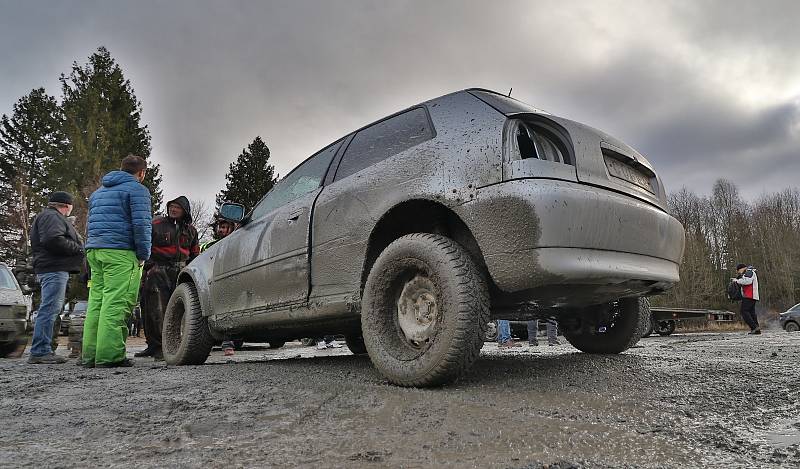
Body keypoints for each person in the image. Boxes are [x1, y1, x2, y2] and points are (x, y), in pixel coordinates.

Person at [83, 155, 152, 368]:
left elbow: (89, 225)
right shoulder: (138, 190)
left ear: (121, 169)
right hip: (121, 252)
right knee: (117, 302)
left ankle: (90, 355)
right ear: (141, 173)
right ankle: (109, 356)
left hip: (95, 251)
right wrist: (143, 254)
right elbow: (141, 225)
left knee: (97, 302)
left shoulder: (98, 193)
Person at [137, 196, 199, 360]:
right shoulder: (156, 224)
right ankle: (155, 346)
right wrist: (150, 267)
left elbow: (195, 254)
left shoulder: (191, 230)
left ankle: (170, 345)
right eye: (172, 206)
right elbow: (146, 245)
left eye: (177, 207)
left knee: (178, 310)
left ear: (184, 211)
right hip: (158, 270)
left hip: (180, 271)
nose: (173, 209)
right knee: (154, 309)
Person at [28, 191, 85, 364]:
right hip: (53, 268)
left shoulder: (48, 216)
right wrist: (78, 248)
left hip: (53, 268)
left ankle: (43, 349)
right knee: (50, 308)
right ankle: (40, 351)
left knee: (51, 308)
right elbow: (53, 240)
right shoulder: (52, 217)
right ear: (67, 206)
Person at [200, 214, 236, 355]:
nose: (221, 230)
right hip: (214, 282)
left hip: (232, 280)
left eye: (225, 227)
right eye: (220, 227)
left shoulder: (236, 242)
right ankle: (205, 344)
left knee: (228, 310)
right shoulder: (210, 246)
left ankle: (228, 342)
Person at [733, 263, 761, 335]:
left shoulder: (749, 272)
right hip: (752, 296)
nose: (739, 273)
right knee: (751, 313)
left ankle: (754, 327)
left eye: (738, 271)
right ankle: (756, 329)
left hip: (749, 295)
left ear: (742, 268)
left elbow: (748, 281)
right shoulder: (750, 272)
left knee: (744, 311)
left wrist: (737, 281)